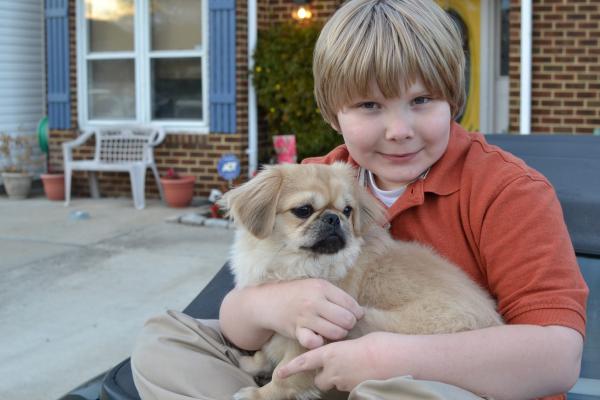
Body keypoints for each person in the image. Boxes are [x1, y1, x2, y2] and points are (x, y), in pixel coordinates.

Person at [131, 0, 588, 399]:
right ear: (334, 113)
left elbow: (558, 359)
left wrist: (385, 354)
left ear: (454, 99)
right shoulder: (319, 176)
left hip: (445, 383)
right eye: (370, 106)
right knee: (164, 342)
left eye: (422, 99)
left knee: (391, 391)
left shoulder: (508, 192)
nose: (399, 129)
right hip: (316, 371)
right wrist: (268, 306)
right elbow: (237, 322)